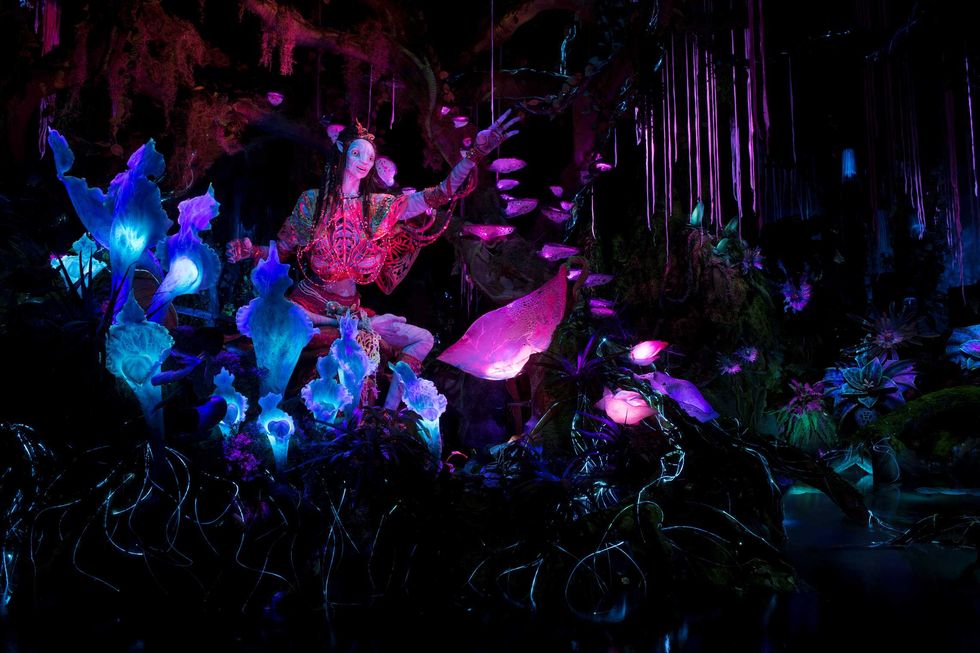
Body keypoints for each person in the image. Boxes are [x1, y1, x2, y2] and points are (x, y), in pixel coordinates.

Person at [228, 110, 520, 405]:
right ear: (341, 152)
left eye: (370, 157)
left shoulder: (379, 207)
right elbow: (281, 251)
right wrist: (251, 251)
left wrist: (475, 153)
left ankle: (389, 414)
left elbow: (439, 194)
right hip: (308, 308)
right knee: (299, 329)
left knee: (422, 338)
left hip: (352, 313)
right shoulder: (312, 203)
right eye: (357, 153)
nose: (364, 161)